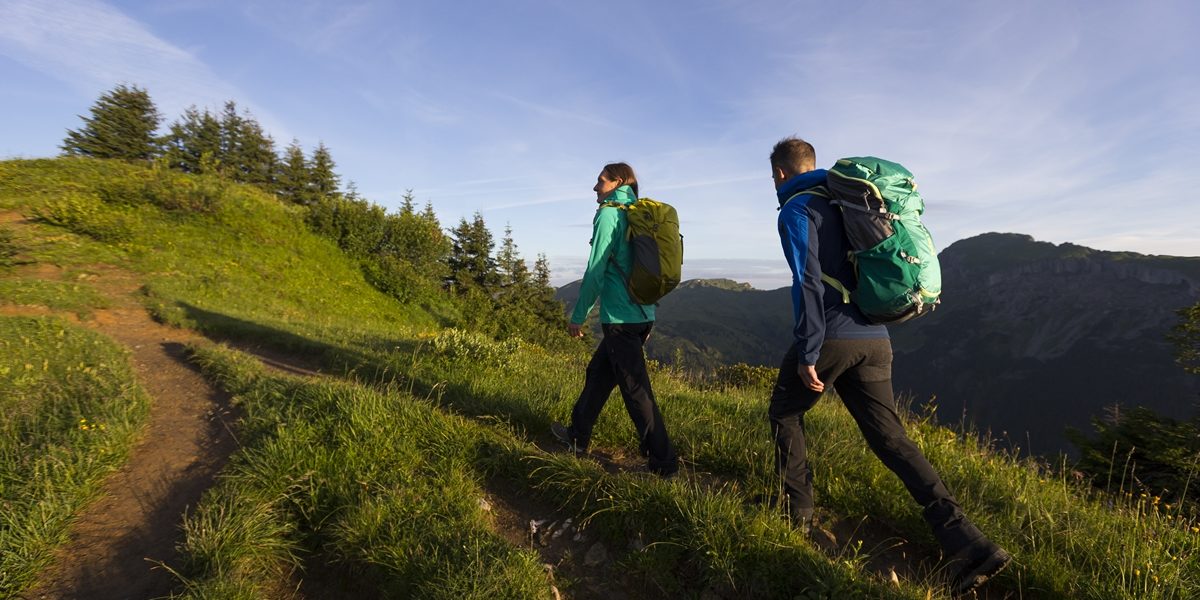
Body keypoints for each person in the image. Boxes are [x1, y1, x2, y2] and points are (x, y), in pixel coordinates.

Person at [767, 137, 1010, 594]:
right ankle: (971, 544)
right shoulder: (849, 201)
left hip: (833, 337)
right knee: (892, 439)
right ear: (812, 165)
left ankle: (796, 517)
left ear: (780, 174)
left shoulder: (796, 209)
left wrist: (808, 350)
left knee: (785, 412)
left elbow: (808, 280)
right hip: (876, 338)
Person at [551, 162, 679, 478]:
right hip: (642, 313)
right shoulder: (640, 213)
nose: (595, 188)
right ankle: (577, 437)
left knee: (636, 390)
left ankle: (664, 465)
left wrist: (577, 316)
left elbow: (596, 271)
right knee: (598, 372)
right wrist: (648, 317)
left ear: (617, 181)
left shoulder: (610, 214)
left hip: (620, 318)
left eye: (600, 181)